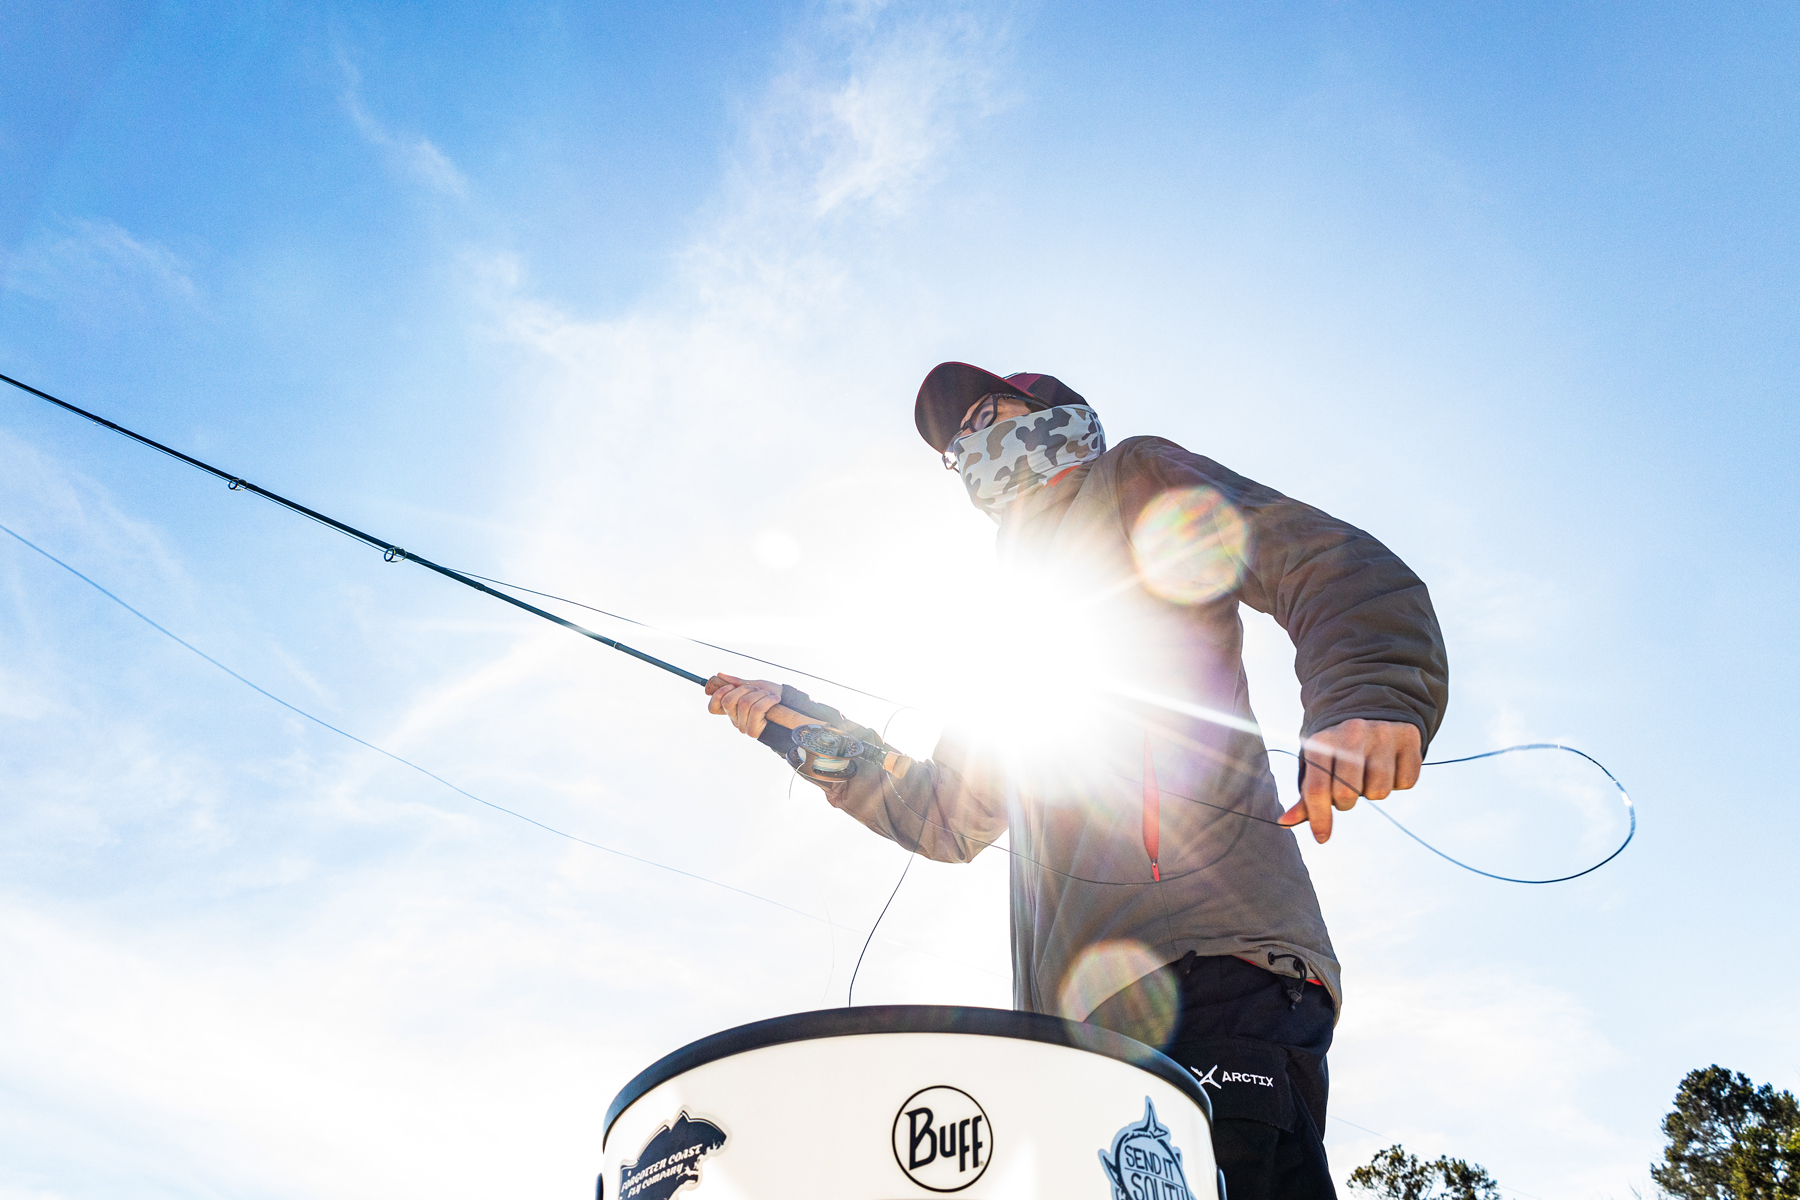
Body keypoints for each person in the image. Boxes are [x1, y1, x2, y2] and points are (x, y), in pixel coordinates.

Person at [706, 362, 1448, 1199]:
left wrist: (1368, 696)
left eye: (988, 413)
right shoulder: (1005, 627)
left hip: (1216, 966)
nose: (972, 442)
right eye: (958, 442)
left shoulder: (1134, 482)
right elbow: (945, 813)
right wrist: (788, 722)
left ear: (1057, 416)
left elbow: (1322, 563)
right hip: (1073, 1038)